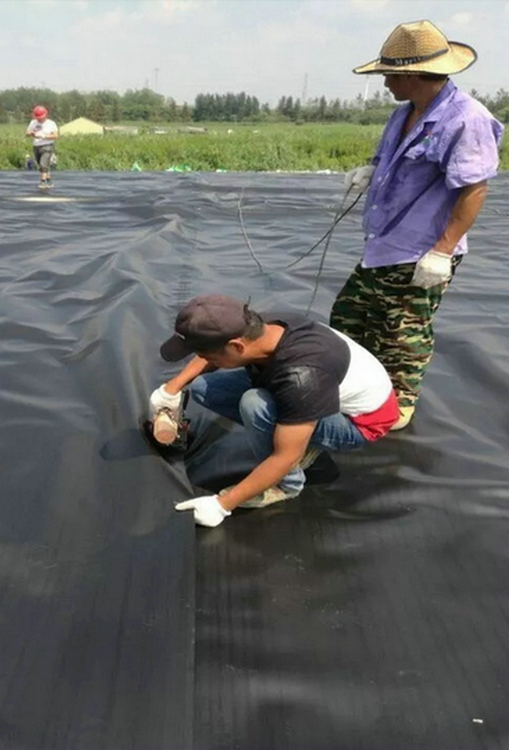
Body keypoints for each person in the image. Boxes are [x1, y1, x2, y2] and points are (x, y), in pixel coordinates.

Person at [330, 20, 503, 430]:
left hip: (421, 249)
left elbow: (473, 190)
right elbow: (386, 157)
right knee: (350, 317)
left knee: (401, 330)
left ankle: (399, 403)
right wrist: (370, 171)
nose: (386, 82)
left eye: (389, 74)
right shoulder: (404, 114)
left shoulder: (466, 119)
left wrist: (442, 252)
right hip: (385, 242)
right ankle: (357, 389)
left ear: (410, 75)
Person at [151, 295, 399, 527]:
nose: (204, 359)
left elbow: (285, 457)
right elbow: (212, 353)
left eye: (206, 355)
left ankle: (287, 484)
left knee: (255, 404)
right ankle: (297, 430)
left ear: (237, 346)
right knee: (204, 387)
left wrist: (221, 505)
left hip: (359, 423)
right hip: (319, 392)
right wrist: (171, 389)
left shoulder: (303, 377)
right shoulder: (261, 326)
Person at [25, 105, 58, 188]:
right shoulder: (33, 122)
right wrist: (32, 133)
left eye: (41, 117)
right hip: (36, 146)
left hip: (47, 146)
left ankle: (43, 181)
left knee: (43, 164)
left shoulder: (51, 123)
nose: (39, 119)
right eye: (38, 117)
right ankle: (48, 180)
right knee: (42, 165)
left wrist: (44, 136)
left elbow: (55, 135)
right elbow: (27, 133)